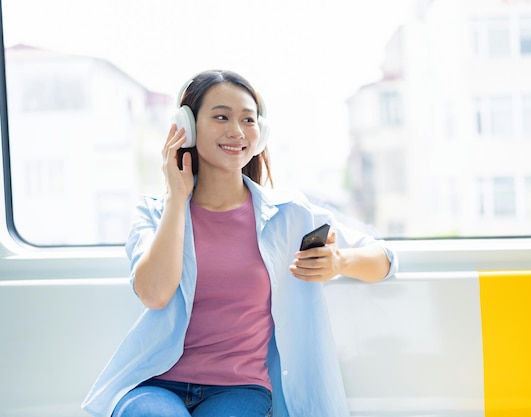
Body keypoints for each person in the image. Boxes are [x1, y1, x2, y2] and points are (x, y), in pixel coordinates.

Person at [82, 69, 399, 417]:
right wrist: (177, 197)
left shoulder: (288, 216)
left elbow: (384, 257)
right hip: (157, 385)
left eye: (247, 119)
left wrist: (339, 263)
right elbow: (154, 293)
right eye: (221, 117)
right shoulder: (155, 214)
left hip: (238, 389)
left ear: (260, 134)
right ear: (186, 127)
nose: (236, 131)